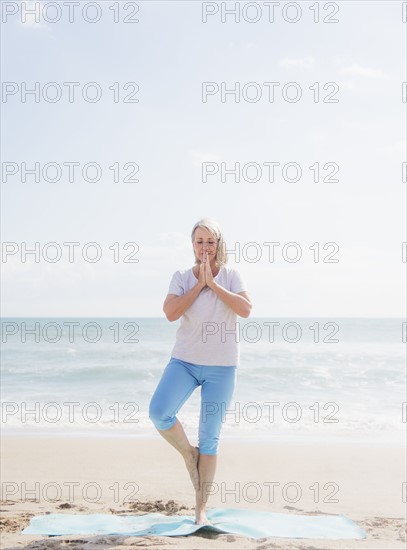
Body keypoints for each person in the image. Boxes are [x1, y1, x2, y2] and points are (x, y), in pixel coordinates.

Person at [148, 217, 252, 525]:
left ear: (218, 244)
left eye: (210, 241)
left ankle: (201, 510)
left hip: (222, 366)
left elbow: (246, 310)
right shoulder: (181, 276)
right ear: (192, 245)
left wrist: (214, 284)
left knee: (210, 439)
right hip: (185, 361)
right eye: (199, 241)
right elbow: (170, 313)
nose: (204, 247)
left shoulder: (232, 276)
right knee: (159, 412)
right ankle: (186, 453)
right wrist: (199, 285)